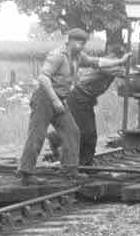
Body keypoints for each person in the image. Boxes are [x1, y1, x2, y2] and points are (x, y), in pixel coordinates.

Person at [17, 28, 128, 183]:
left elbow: (98, 62)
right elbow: (43, 77)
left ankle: (69, 170)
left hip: (60, 99)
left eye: (83, 42)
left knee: (73, 132)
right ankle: (26, 173)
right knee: (37, 135)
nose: (81, 45)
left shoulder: (78, 57)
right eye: (78, 41)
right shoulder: (58, 55)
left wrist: (120, 61)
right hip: (45, 98)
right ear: (68, 39)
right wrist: (55, 100)